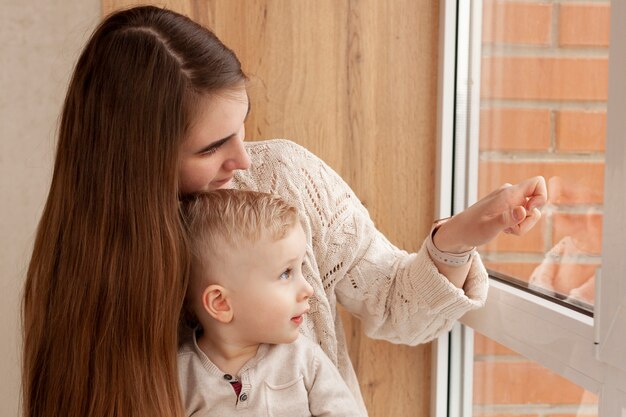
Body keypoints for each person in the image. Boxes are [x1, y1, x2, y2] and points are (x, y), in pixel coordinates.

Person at [22, 5, 547, 417]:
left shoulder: (285, 180)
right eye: (212, 148)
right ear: (138, 160)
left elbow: (396, 304)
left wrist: (466, 231)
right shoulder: (86, 277)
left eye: (241, 125)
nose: (243, 159)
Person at [178, 189, 363, 416]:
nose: (308, 289)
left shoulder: (305, 361)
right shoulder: (180, 379)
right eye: (286, 273)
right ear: (221, 303)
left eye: (301, 269)